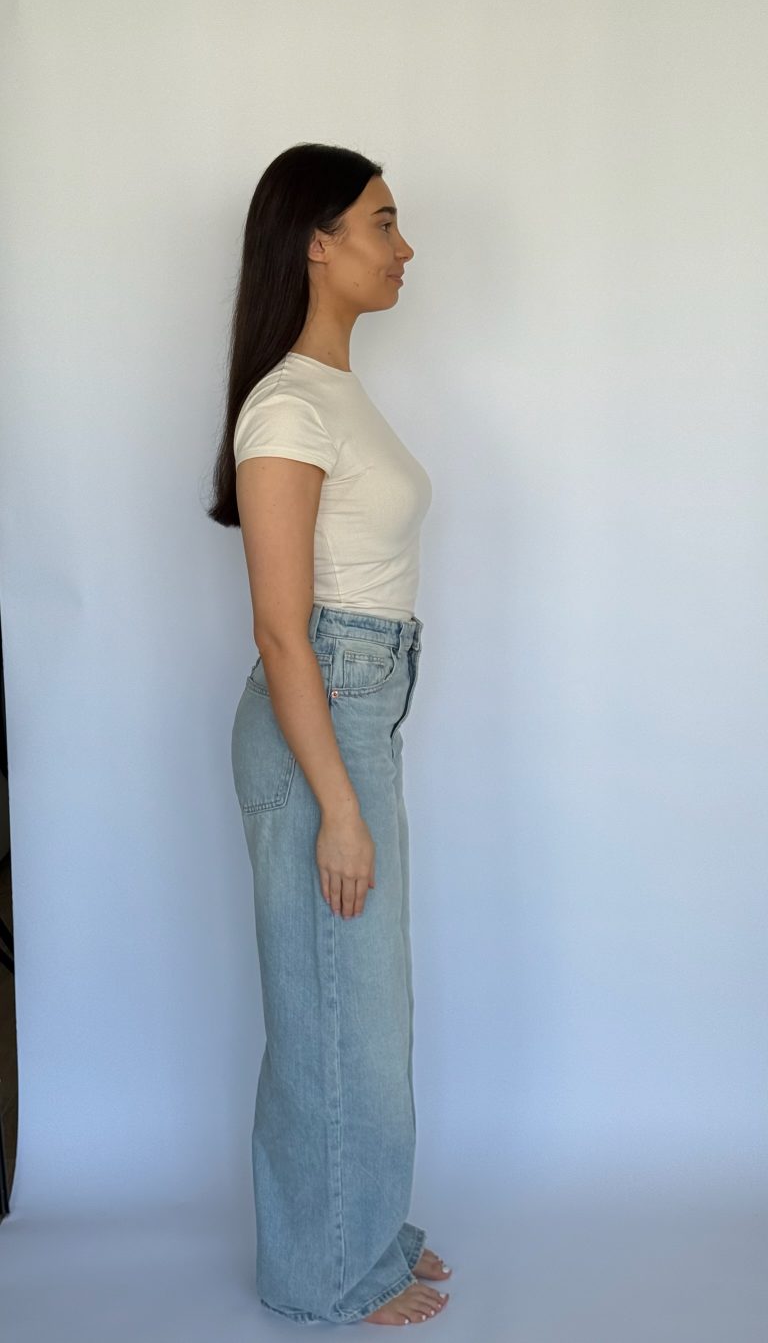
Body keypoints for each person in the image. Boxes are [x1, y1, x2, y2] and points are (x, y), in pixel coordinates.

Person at [207, 143, 452, 1326]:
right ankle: (330, 1272)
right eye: (382, 223)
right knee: (333, 1013)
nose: (404, 248)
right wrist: (338, 804)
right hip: (323, 727)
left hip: (359, 715)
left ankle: (361, 1223)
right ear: (317, 241)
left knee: (360, 1004)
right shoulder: (287, 407)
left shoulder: (332, 393)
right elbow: (280, 625)